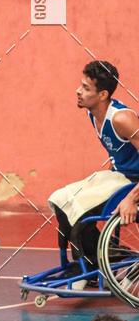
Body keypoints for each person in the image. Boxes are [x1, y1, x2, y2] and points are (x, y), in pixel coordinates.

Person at [49, 61, 139, 276]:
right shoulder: (93, 113)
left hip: (132, 184)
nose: (78, 91)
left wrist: (132, 199)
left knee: (80, 216)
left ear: (103, 94)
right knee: (61, 200)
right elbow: (120, 153)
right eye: (81, 85)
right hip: (119, 178)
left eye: (86, 88)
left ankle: (93, 266)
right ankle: (98, 258)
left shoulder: (122, 118)